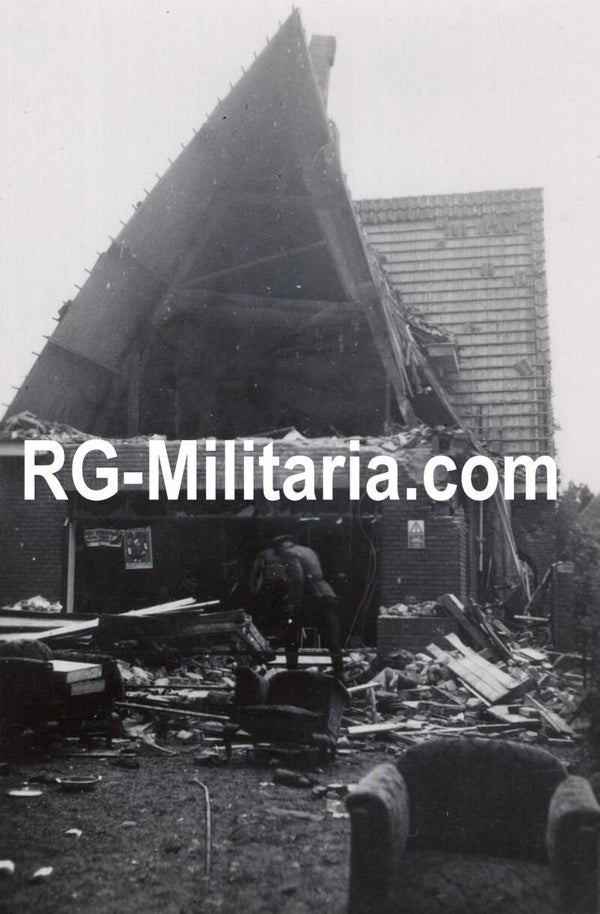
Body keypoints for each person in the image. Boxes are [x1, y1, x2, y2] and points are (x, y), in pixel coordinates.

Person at [272, 534, 344, 680]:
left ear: (280, 547)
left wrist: (292, 604)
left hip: (311, 599)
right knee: (332, 636)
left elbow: (298, 580)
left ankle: (291, 672)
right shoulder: (308, 550)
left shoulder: (289, 554)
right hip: (327, 594)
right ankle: (339, 671)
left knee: (290, 631)